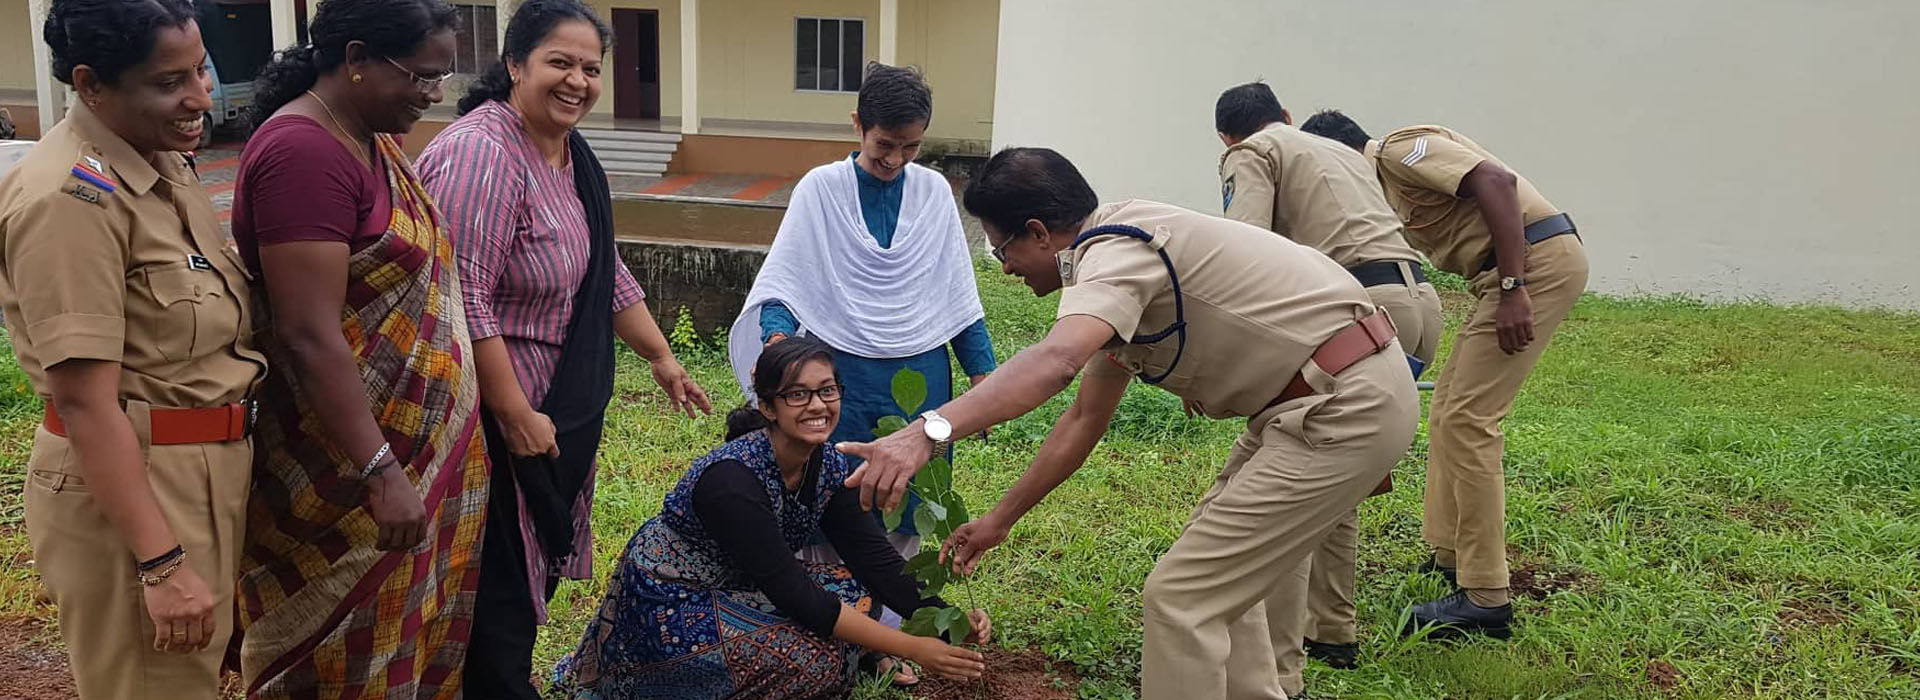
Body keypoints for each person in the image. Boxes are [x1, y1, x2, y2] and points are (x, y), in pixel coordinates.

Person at [839, 148, 1420, 700]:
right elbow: (1082, 419)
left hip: (1340, 404)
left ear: (1038, 232)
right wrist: (998, 521)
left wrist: (926, 432)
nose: (1007, 268)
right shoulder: (1114, 270)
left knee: (1182, 598)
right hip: (1307, 406)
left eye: (1002, 250)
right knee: (1222, 588)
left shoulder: (1117, 252)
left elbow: (1055, 361)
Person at [414, 1, 713, 696]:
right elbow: (462, 296)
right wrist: (515, 414)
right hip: (488, 431)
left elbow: (603, 270)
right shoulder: (483, 154)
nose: (578, 81)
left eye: (591, 68)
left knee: (515, 594)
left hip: (549, 420)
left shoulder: (569, 153)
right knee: (493, 597)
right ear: (514, 65)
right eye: (560, 62)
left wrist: (661, 357)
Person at [0, 1, 266, 696]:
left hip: (206, 470)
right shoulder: (68, 199)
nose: (200, 97)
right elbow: (85, 403)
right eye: (168, 82)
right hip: (138, 484)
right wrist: (161, 564)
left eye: (201, 70)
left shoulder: (162, 163)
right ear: (91, 84)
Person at [228, 0, 483, 696]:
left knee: (407, 651)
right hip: (343, 470)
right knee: (335, 663)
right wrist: (381, 469)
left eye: (443, 77)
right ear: (357, 59)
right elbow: (308, 333)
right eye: (421, 76)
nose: (434, 95)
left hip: (408, 453)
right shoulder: (302, 154)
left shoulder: (372, 141)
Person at [724, 61, 996, 685]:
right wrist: (778, 344)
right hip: (839, 375)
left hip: (922, 375)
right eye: (883, 145)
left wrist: (984, 380)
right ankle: (832, 634)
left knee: (907, 504)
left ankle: (893, 637)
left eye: (911, 147)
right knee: (835, 498)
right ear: (858, 125)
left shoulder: (934, 193)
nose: (895, 159)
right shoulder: (820, 188)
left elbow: (958, 294)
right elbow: (786, 281)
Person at [551, 335, 989, 698]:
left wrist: (948, 622)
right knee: (814, 661)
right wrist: (914, 646)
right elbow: (795, 592)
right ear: (767, 406)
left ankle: (856, 653)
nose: (817, 405)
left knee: (859, 594)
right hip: (673, 597)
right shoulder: (731, 481)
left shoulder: (828, 464)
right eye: (798, 394)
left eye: (827, 391)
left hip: (743, 584)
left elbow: (876, 561)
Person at [1300, 109, 1590, 638]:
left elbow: (1494, 181)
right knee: (1448, 410)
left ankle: (1486, 597)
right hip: (1501, 275)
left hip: (1533, 266)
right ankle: (1451, 556)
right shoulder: (1382, 187)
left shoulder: (1398, 151)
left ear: (1338, 154)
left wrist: (1513, 287)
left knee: (1469, 420)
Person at [1213, 82, 1444, 680]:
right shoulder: (1338, 150)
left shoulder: (1252, 152)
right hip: (1417, 305)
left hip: (1354, 307)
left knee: (1287, 469)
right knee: (1337, 472)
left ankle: (1279, 666)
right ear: (1287, 115)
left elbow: (1247, 250)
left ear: (1226, 137)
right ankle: (1332, 631)